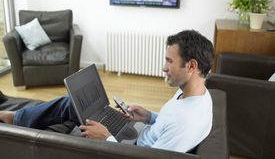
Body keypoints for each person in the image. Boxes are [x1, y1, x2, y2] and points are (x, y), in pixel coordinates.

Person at [0, 30, 214, 153]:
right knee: (72, 103)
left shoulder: (186, 122)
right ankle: (16, 118)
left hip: (129, 149)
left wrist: (107, 138)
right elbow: (168, 123)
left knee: (85, 117)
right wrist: (149, 116)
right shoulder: (197, 94)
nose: (164, 68)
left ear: (191, 66)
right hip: (137, 136)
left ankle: (18, 129)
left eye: (169, 61)